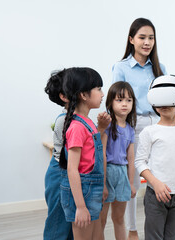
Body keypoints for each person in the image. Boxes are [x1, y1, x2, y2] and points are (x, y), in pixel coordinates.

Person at [112, 17, 167, 240]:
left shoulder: (160, 68)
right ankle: (132, 229)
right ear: (131, 39)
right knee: (133, 183)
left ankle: (159, 227)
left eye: (151, 38)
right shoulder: (121, 67)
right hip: (133, 126)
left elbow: (164, 99)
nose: (147, 42)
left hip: (158, 123)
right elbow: (116, 100)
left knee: (162, 176)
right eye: (142, 37)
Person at [135, 75, 175, 240]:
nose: (165, 105)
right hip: (155, 196)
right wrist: (156, 183)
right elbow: (140, 162)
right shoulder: (150, 132)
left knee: (172, 237)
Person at [58, 67, 109, 240]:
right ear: (83, 95)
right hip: (82, 193)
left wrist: (101, 186)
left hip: (92, 189)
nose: (102, 94)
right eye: (99, 89)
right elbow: (73, 169)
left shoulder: (88, 122)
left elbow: (93, 155)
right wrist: (80, 206)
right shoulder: (77, 127)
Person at [98, 81, 137, 240]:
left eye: (128, 100)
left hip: (122, 175)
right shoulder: (107, 125)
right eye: (119, 100)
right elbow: (102, 154)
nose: (124, 104)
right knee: (101, 219)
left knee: (119, 218)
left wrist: (131, 183)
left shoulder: (130, 129)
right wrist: (103, 183)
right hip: (107, 172)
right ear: (110, 103)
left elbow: (131, 158)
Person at [43, 70, 73, 240]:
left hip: (66, 173)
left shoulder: (76, 118)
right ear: (64, 96)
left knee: (69, 227)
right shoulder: (65, 120)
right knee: (58, 227)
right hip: (61, 174)